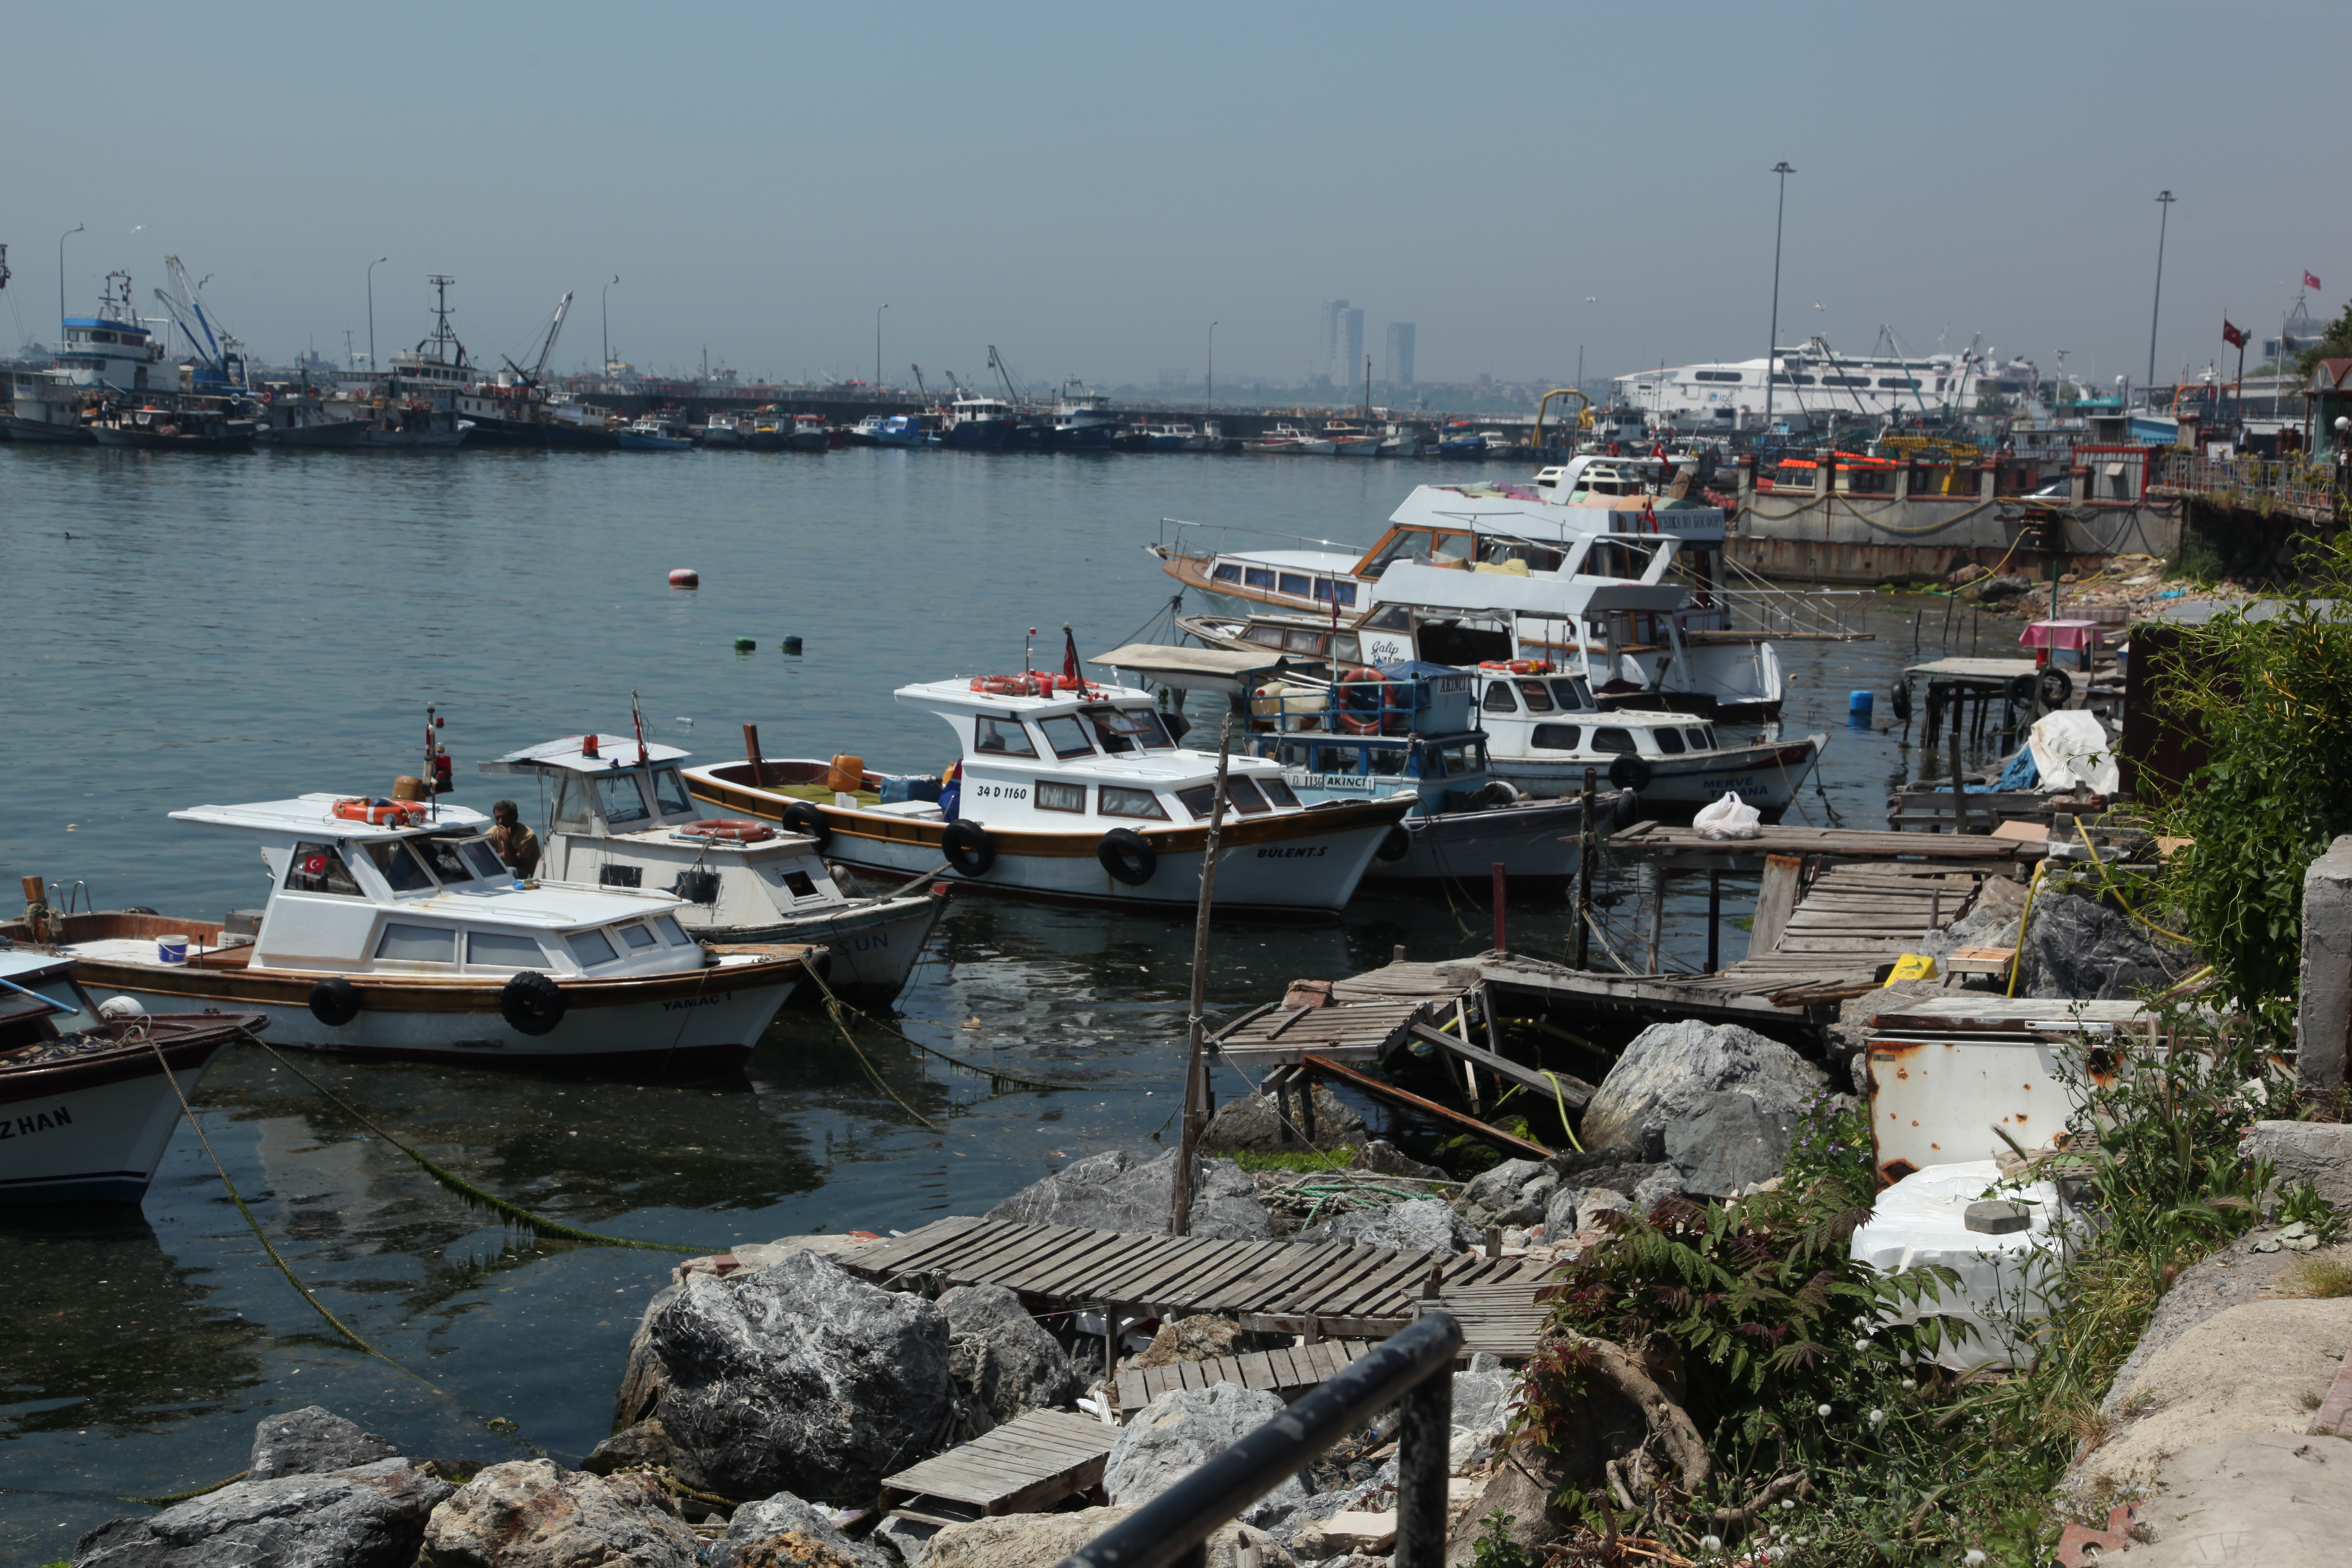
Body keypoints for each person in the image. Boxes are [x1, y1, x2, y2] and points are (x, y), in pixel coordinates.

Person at [487, 800, 541, 878]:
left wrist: (507, 841)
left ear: (516, 817)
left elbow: (512, 864)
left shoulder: (528, 836)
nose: (500, 822)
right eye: (497, 818)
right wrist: (503, 854)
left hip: (528, 876)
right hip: (504, 870)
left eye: (504, 818)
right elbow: (474, 853)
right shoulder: (494, 831)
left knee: (511, 871)